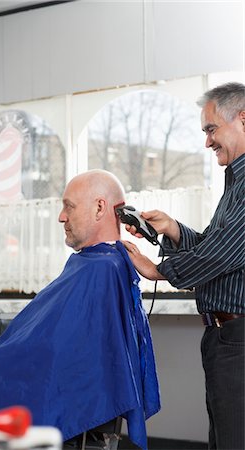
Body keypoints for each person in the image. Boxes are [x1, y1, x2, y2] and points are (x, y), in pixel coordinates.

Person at [0, 169, 160, 450]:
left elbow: (52, 357)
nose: (61, 216)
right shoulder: (98, 264)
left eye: (68, 206)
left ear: (99, 208)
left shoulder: (101, 269)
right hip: (2, 370)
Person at [123, 82, 245, 450]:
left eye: (211, 129)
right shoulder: (235, 183)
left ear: (243, 118)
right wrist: (172, 229)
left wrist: (155, 269)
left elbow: (223, 253)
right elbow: (214, 243)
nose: (207, 141)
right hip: (223, 337)